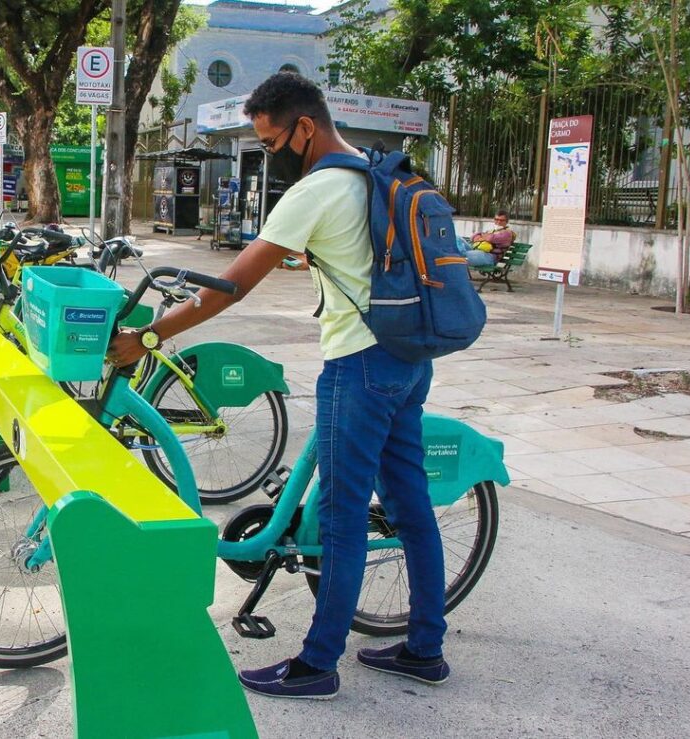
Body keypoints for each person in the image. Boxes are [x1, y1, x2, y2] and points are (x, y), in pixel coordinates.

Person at [107, 72, 449, 700]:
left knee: (342, 519)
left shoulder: (316, 190)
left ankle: (317, 665)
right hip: (407, 359)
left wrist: (150, 335)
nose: (270, 154)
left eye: (271, 142)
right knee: (409, 506)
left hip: (360, 367)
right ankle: (426, 647)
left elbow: (230, 287)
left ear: (306, 128)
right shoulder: (370, 172)